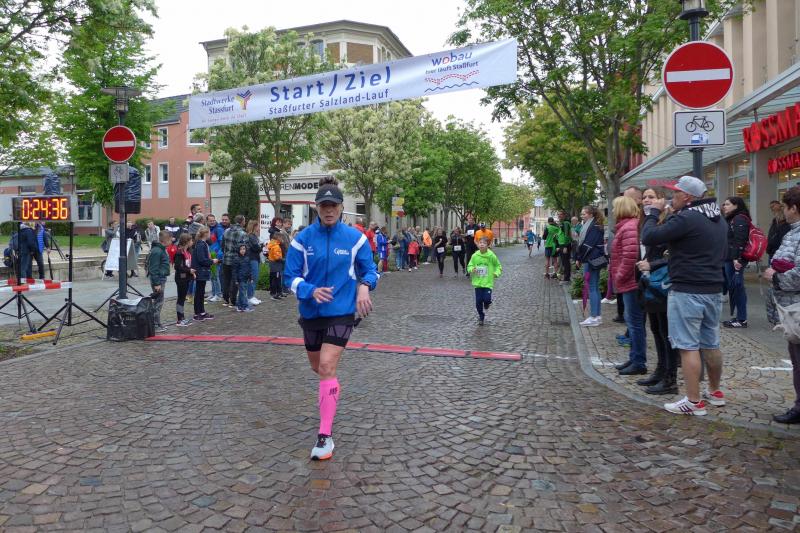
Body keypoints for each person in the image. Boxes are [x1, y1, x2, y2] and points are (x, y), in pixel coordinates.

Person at [284, 176, 378, 461]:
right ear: (316, 207)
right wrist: (310, 290)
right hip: (311, 312)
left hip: (341, 312)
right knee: (319, 367)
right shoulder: (302, 240)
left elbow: (370, 270)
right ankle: (331, 388)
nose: (328, 210)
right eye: (324, 205)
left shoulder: (355, 239)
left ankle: (324, 436)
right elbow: (290, 277)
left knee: (326, 365)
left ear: (340, 207)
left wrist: (365, 286)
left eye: (333, 205)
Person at [641, 175, 727, 416]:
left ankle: (693, 401)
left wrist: (652, 213)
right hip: (712, 287)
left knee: (687, 346)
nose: (672, 197)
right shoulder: (718, 218)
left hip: (688, 289)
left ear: (687, 196)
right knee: (711, 343)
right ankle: (715, 391)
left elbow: (648, 236)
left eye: (675, 193)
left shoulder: (687, 217)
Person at [636, 187, 679, 395]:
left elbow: (673, 255)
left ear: (661, 200)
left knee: (665, 330)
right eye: (644, 197)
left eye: (651, 197)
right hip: (650, 281)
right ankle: (660, 370)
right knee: (655, 328)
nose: (646, 200)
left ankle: (670, 377)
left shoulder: (670, 220)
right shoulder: (648, 220)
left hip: (664, 282)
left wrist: (652, 265)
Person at [764, 186, 800, 424]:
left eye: (785, 207)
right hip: (791, 306)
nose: (783, 211)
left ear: (794, 208)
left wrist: (775, 276)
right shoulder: (792, 232)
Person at [610, 196, 647, 376]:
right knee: (632, 322)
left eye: (615, 207)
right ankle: (634, 358)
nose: (613, 211)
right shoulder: (627, 226)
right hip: (628, 281)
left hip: (630, 282)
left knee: (635, 323)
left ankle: (638, 361)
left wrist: (618, 276)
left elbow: (629, 257)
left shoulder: (629, 227)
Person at [720, 197, 750, 329]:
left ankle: (742, 319)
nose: (724, 206)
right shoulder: (732, 218)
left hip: (735, 260)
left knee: (738, 288)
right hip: (730, 258)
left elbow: (740, 240)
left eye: (727, 204)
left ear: (736, 205)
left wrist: (737, 258)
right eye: (724, 204)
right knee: (735, 288)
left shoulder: (739, 219)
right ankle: (739, 317)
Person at [575, 205, 605, 326]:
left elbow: (587, 245)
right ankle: (597, 316)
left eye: (584, 214)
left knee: (592, 287)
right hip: (593, 259)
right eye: (581, 214)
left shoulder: (593, 227)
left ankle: (594, 317)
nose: (582, 216)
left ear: (591, 215)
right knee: (595, 287)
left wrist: (579, 258)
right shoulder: (594, 225)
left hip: (591, 260)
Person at [467, 236, 502, 325]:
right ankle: (481, 316)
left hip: (488, 283)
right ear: (478, 245)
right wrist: (472, 269)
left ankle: (487, 303)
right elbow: (469, 266)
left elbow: (498, 266)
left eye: (484, 243)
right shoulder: (475, 256)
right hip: (478, 283)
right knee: (478, 302)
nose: (482, 244)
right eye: (480, 243)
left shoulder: (491, 256)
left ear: (488, 245)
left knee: (486, 299)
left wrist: (496, 273)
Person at [147, 230, 172, 333]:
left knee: (159, 302)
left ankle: (156, 323)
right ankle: (155, 325)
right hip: (159, 279)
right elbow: (153, 269)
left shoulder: (160, 249)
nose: (171, 241)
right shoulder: (157, 251)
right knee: (158, 302)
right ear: (165, 240)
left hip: (161, 278)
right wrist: (156, 283)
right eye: (170, 239)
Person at [221, 215, 247, 307]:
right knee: (235, 281)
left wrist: (226, 252)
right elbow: (244, 248)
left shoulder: (226, 231)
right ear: (242, 221)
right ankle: (233, 301)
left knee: (226, 280)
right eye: (244, 221)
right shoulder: (243, 234)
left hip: (226, 259)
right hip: (236, 260)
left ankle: (225, 299)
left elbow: (222, 245)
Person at [193, 226, 216, 322]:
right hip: (200, 271)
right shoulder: (201, 245)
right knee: (199, 293)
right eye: (209, 233)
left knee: (201, 292)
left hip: (202, 271)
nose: (210, 234)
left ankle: (202, 311)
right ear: (206, 234)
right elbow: (202, 259)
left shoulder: (203, 244)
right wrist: (212, 261)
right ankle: (197, 313)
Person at [173, 233, 195, 327]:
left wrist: (191, 272)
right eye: (191, 241)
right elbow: (178, 267)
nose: (192, 242)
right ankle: (180, 319)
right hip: (181, 278)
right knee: (181, 298)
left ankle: (182, 317)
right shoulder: (179, 253)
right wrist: (189, 270)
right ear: (187, 242)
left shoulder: (188, 251)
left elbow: (188, 264)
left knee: (182, 298)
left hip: (186, 277)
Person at [207, 214, 224, 301]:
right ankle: (214, 293)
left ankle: (218, 294)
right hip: (211, 255)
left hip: (216, 256)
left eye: (213, 220)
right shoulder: (208, 229)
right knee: (212, 275)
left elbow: (222, 243)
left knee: (215, 275)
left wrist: (219, 256)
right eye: (210, 221)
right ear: (207, 221)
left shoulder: (219, 229)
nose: (212, 222)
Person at [767, 199, 790, 265]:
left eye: (773, 206)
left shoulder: (786, 222)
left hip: (780, 252)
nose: (772, 209)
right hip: (772, 251)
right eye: (770, 207)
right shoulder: (775, 221)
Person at [245, 219, 262, 306]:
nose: (259, 228)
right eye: (258, 226)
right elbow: (256, 247)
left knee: (254, 277)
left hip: (255, 258)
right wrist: (261, 246)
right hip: (252, 259)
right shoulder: (251, 236)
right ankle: (250, 296)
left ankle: (251, 295)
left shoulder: (253, 236)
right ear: (254, 227)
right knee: (253, 277)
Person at [234, 244, 253, 312]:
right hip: (240, 278)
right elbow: (235, 271)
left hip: (246, 278)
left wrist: (251, 277)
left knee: (242, 292)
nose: (242, 250)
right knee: (243, 292)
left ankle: (239, 306)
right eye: (241, 249)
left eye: (244, 249)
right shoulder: (236, 259)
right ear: (238, 250)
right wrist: (236, 279)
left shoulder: (247, 258)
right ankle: (245, 306)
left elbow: (249, 269)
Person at [267, 230, 285, 300]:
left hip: (272, 264)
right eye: (281, 238)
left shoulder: (272, 244)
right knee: (277, 279)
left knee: (273, 279)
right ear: (278, 238)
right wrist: (283, 260)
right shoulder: (276, 246)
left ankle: (276, 292)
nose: (282, 239)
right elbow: (277, 257)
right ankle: (276, 293)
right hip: (276, 265)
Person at [556, 211, 572, 285]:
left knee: (566, 262)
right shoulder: (562, 223)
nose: (559, 216)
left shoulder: (565, 223)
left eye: (561, 214)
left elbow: (566, 235)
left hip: (565, 245)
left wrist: (565, 246)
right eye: (558, 214)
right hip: (562, 245)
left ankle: (567, 279)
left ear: (564, 215)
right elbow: (561, 235)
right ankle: (566, 278)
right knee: (564, 262)